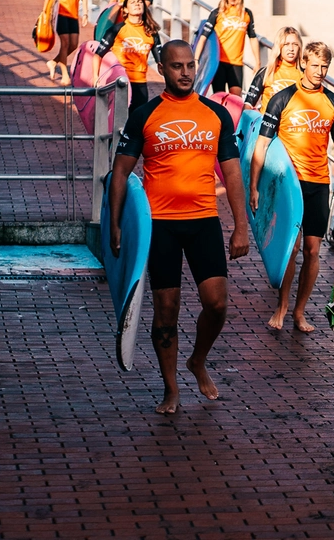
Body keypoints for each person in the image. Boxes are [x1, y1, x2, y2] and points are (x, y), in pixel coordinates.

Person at [108, 40, 249, 414]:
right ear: (162, 69)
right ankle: (171, 388)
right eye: (177, 66)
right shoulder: (145, 115)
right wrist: (117, 224)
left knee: (217, 305)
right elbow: (121, 172)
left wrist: (240, 226)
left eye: (190, 66)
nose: (185, 72)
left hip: (203, 220)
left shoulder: (216, 115)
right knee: (166, 311)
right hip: (161, 226)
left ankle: (197, 359)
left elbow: (232, 172)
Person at [249, 41, 334, 332]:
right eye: (315, 65)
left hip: (318, 183)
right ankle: (283, 305)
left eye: (325, 66)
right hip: (290, 183)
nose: (320, 71)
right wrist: (254, 186)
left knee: (313, 250)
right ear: (303, 64)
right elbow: (261, 145)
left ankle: (299, 312)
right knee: (292, 247)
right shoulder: (282, 99)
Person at [94, 0, 162, 110]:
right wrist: (95, 77)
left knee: (136, 123)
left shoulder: (151, 32)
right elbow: (98, 55)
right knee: (119, 122)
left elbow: (160, 61)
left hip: (140, 83)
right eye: (133, 2)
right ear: (125, 9)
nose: (137, 4)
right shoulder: (116, 29)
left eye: (140, 2)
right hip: (120, 81)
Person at [194, 0, 260, 97]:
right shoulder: (217, 13)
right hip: (218, 62)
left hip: (236, 63)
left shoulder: (246, 14)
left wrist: (258, 62)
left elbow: (252, 37)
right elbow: (203, 37)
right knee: (219, 97)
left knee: (236, 98)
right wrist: (196, 59)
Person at [244, 26, 303, 114]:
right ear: (279, 46)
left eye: (295, 44)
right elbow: (247, 106)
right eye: (286, 44)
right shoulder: (266, 72)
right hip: (267, 125)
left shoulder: (304, 75)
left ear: (299, 47)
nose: (291, 49)